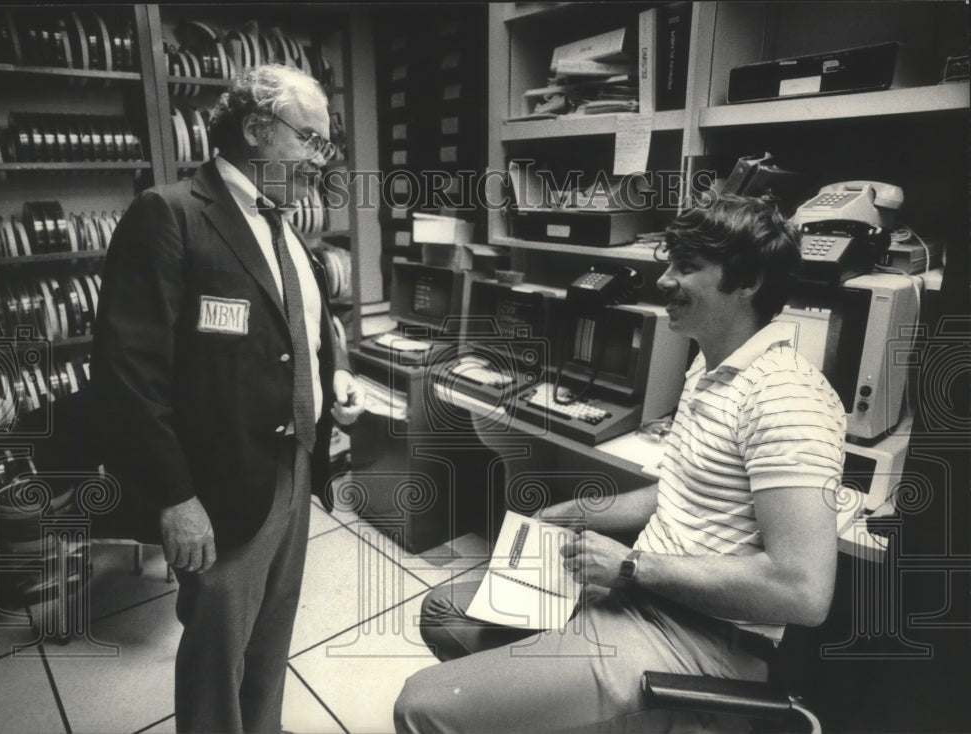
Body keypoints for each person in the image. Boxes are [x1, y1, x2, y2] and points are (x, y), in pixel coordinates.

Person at [394, 194, 847, 733]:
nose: (663, 279)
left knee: (421, 704)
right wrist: (576, 513)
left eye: (688, 266)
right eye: (669, 261)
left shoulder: (788, 397)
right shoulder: (711, 364)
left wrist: (631, 565)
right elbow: (679, 491)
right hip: (643, 594)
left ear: (747, 282)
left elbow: (803, 590)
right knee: (444, 612)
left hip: (698, 639)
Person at [91, 64, 364, 733]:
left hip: (294, 468)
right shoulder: (172, 215)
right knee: (219, 656)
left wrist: (337, 374)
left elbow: (300, 321)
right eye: (310, 139)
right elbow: (128, 373)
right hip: (218, 488)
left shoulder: (282, 223)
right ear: (256, 128)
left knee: (270, 641)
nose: (318, 160)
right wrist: (174, 499)